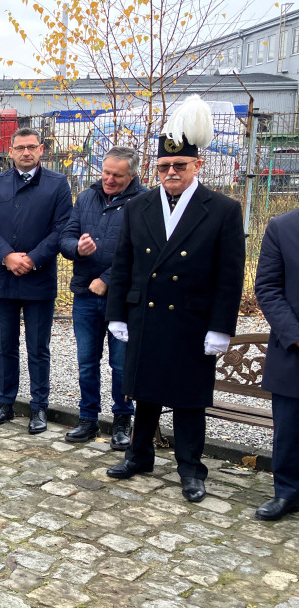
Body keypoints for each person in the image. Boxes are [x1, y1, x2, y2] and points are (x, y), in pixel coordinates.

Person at [106, 95, 245, 503]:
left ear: (197, 165)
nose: (171, 172)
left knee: (188, 399)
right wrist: (117, 313)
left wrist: (221, 328)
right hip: (146, 314)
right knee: (145, 391)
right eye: (164, 166)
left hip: (191, 319)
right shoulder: (139, 206)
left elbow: (230, 276)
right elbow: (123, 263)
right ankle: (139, 455)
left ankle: (190, 469)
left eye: (179, 165)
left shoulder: (222, 209)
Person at [0, 127, 73, 433]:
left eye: (32, 147)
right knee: (5, 345)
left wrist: (31, 259)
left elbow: (62, 229)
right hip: (2, 278)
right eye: (20, 148)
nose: (26, 152)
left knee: (38, 348)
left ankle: (38, 407)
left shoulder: (57, 184)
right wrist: (7, 256)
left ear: (41, 149)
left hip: (38, 278)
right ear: (11, 152)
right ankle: (5, 402)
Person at [59, 146, 147, 448]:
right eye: (106, 172)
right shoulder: (86, 197)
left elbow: (143, 252)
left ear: (132, 175)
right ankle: (88, 418)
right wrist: (76, 247)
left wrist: (108, 280)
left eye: (117, 175)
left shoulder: (144, 202)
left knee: (121, 364)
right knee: (86, 362)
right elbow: (66, 237)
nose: (109, 179)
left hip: (122, 300)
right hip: (84, 294)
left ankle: (122, 420)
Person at [252, 208, 299, 520]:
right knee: (290, 428)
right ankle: (287, 492)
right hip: (293, 351)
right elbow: (268, 288)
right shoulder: (282, 228)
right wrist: (295, 335)